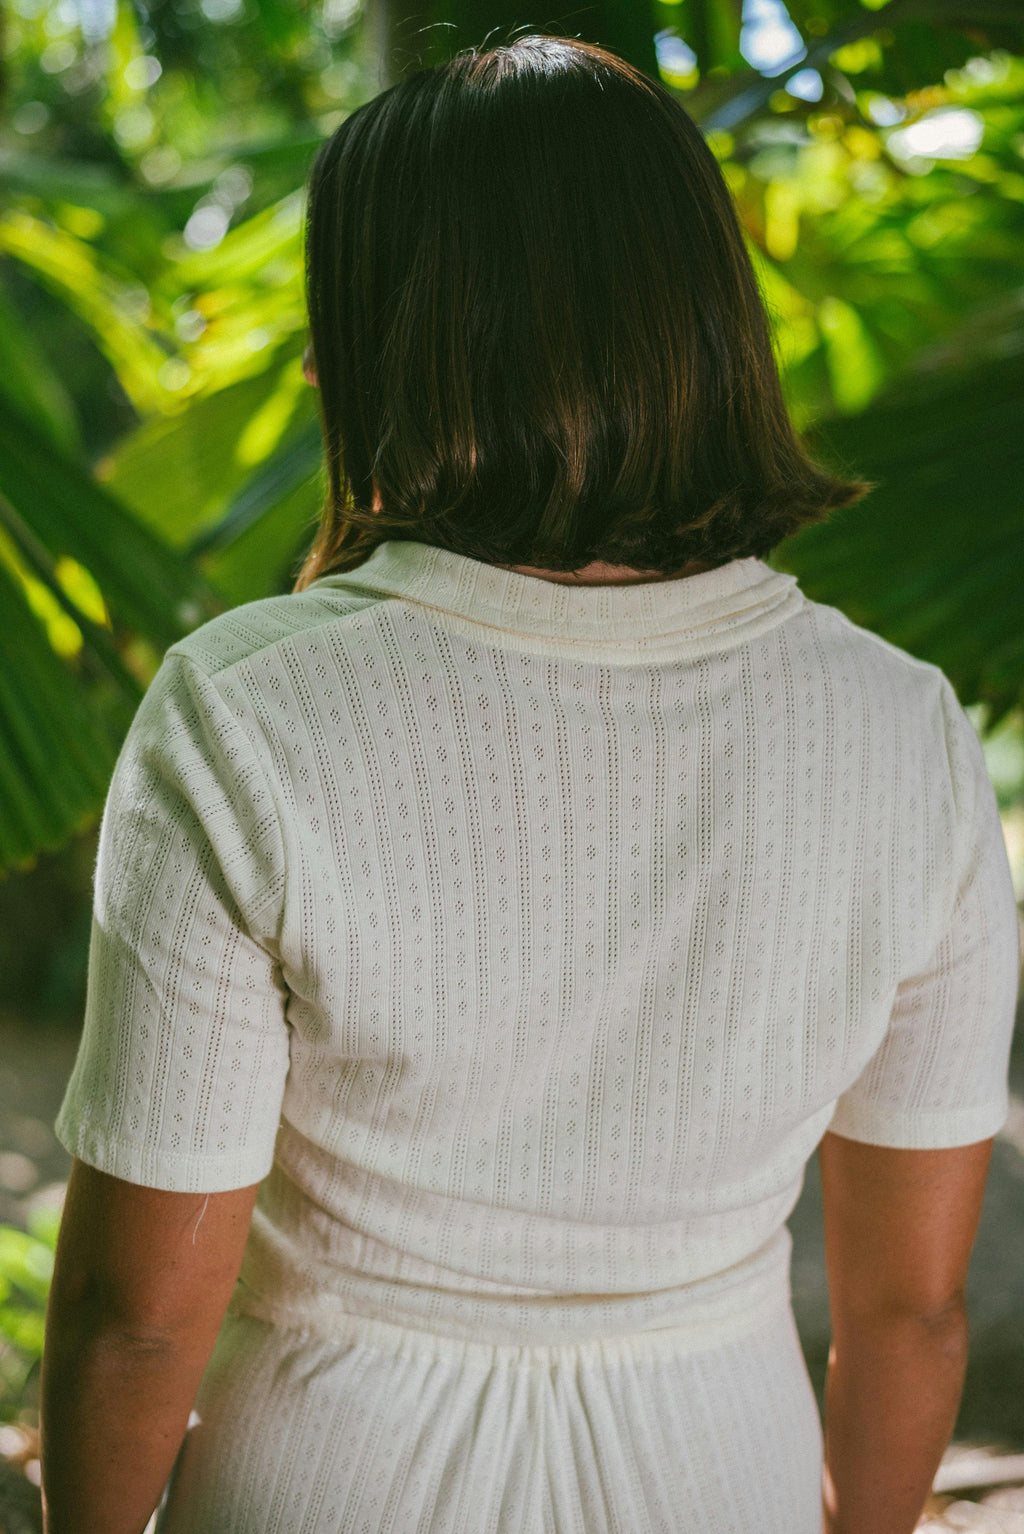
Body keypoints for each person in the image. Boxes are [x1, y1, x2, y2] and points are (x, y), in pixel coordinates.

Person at [40, 32, 1020, 1534]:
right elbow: (909, 1319)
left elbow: (131, 1315)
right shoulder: (905, 734)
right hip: (721, 1472)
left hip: (326, 1480)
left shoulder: (251, 711)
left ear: (384, 342)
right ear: (707, 323)